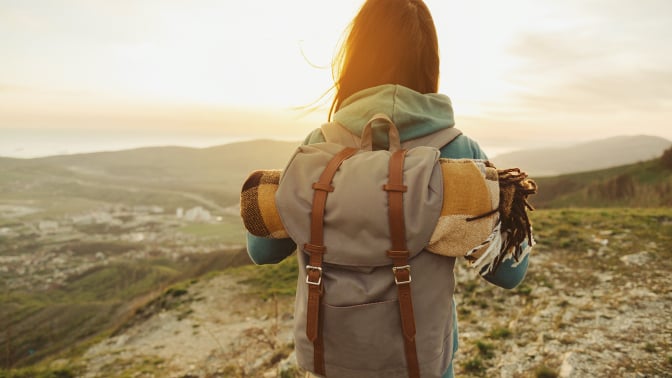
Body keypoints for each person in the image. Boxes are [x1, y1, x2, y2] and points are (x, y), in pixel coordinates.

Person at [246, 0, 529, 376]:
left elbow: (261, 249)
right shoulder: (459, 152)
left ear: (355, 58)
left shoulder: (319, 147)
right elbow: (509, 272)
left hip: (333, 365)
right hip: (424, 366)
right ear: (430, 63)